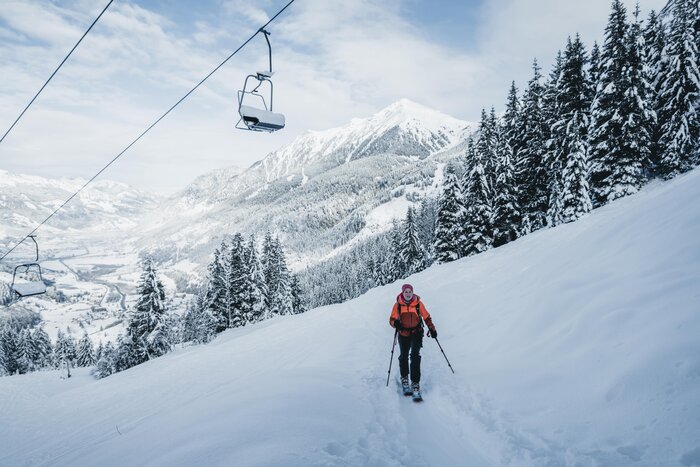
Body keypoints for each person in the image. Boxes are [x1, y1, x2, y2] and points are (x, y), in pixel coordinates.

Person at [389, 283, 437, 397]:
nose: (408, 294)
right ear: (402, 293)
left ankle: (415, 383)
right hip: (403, 333)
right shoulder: (398, 305)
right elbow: (391, 319)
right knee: (403, 356)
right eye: (406, 292)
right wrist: (395, 323)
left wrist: (432, 328)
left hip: (416, 333)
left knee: (415, 356)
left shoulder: (418, 304)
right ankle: (404, 378)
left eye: (410, 292)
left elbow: (426, 317)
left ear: (412, 292)